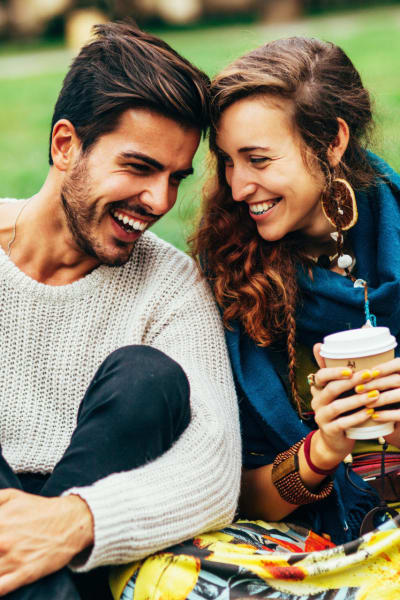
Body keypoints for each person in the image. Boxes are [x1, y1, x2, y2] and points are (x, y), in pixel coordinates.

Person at [0, 21, 241, 599]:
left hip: (90, 534)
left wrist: (73, 521)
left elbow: (215, 468)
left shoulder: (170, 286)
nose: (160, 201)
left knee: (149, 375)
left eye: (175, 178)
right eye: (138, 167)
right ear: (65, 145)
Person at [191, 36, 400, 547]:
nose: (238, 188)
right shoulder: (225, 276)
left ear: (331, 141)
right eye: (228, 161)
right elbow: (237, 499)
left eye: (258, 160)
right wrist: (323, 449)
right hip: (308, 542)